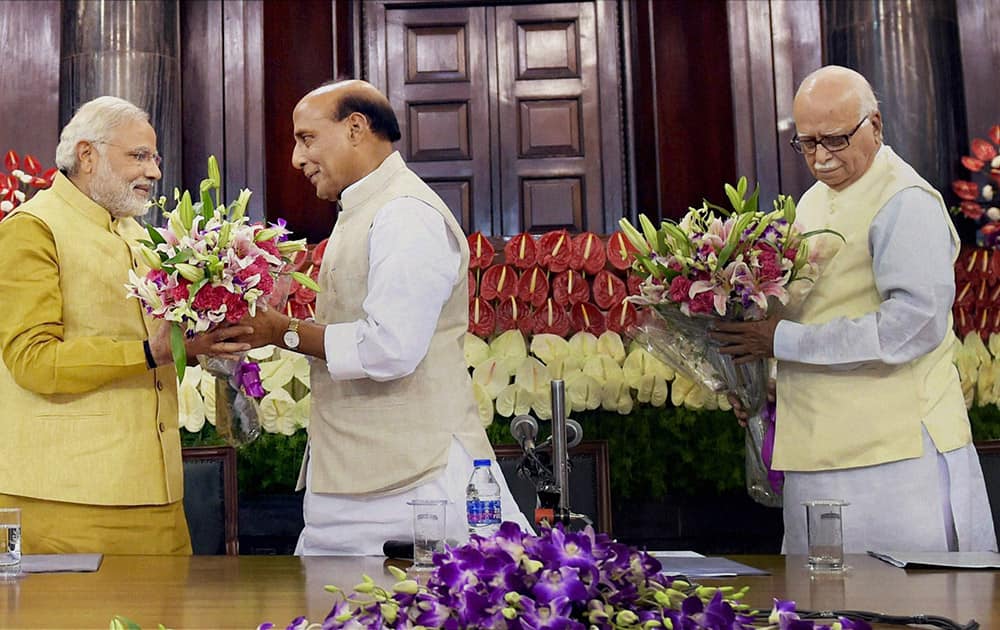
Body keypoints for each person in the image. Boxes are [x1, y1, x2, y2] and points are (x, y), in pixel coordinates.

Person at [235, 80, 532, 554]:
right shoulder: (363, 207)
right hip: (362, 478)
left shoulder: (404, 213)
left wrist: (281, 332)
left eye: (307, 138)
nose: (296, 158)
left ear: (356, 128)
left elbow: (390, 348)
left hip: (416, 482)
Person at [711, 66, 997, 554]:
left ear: (877, 125)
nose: (821, 158)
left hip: (895, 460)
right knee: (818, 613)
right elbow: (817, 313)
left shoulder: (904, 200)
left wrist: (780, 340)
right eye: (807, 144)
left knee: (903, 612)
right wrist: (767, 388)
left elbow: (913, 328)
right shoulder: (812, 203)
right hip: (816, 450)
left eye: (836, 140)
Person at [0, 96, 250, 554]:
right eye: (138, 156)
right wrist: (149, 351)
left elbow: (164, 344)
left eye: (155, 157)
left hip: (158, 493)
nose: (154, 171)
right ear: (87, 155)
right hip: (67, 499)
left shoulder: (142, 235)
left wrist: (211, 332)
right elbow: (33, 360)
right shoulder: (32, 228)